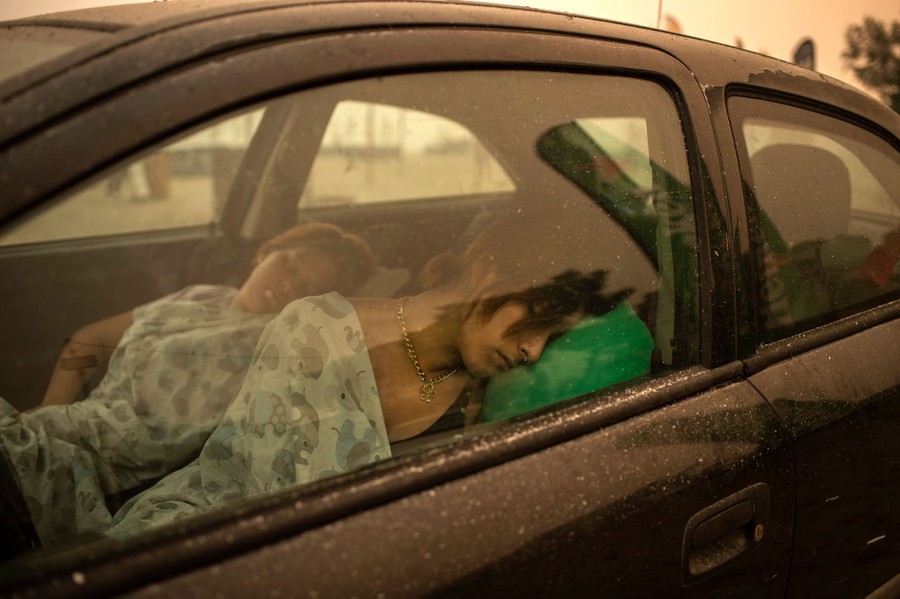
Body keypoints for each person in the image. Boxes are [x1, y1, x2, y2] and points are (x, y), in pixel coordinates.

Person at [105, 213, 633, 536]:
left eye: (551, 338)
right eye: (535, 320)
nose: (534, 352)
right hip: (209, 539)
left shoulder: (487, 393)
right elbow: (295, 515)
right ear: (488, 272)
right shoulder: (317, 328)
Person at [0, 223, 378, 547]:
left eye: (305, 287)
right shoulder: (200, 296)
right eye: (289, 263)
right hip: (45, 431)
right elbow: (88, 342)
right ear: (266, 252)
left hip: (83, 475)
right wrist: (51, 408)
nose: (286, 283)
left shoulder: (279, 353)